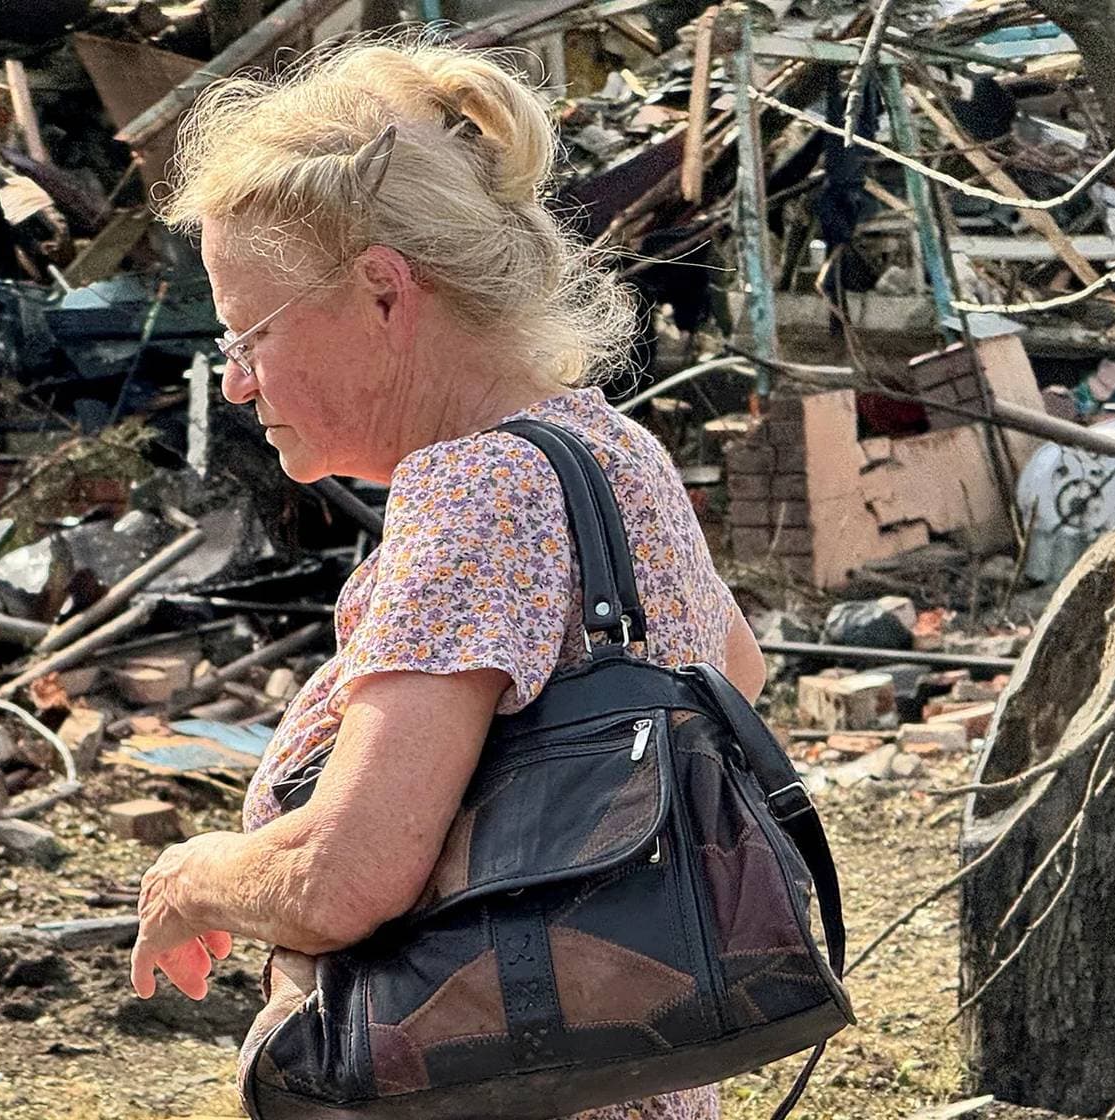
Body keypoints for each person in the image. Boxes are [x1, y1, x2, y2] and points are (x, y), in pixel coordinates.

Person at [126, 35, 768, 1120]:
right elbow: (732, 675)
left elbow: (347, 876)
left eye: (249, 335)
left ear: (382, 291)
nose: (235, 384)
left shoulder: (473, 492)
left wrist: (192, 877)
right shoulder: (604, 447)